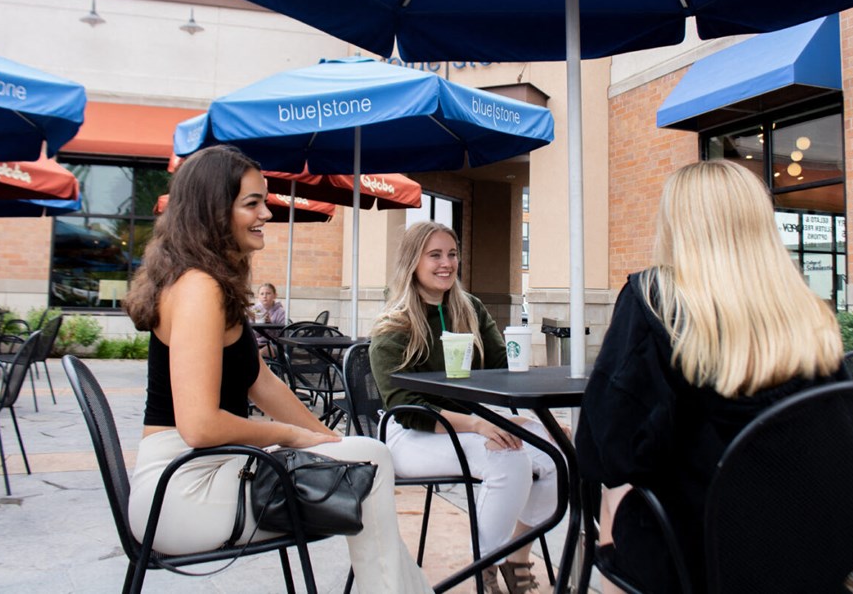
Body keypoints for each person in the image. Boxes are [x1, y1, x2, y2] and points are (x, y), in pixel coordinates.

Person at [122, 145, 432, 593]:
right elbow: (199, 425)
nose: (267, 212)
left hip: (213, 471)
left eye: (264, 200)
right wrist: (289, 436)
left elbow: (260, 381)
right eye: (252, 203)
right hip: (181, 491)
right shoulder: (198, 288)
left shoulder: (209, 281)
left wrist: (326, 439)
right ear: (214, 210)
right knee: (374, 460)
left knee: (361, 455)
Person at [575, 160, 848, 594]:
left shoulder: (654, 300)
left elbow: (606, 451)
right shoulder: (808, 314)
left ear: (676, 225)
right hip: (815, 556)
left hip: (700, 562)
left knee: (614, 493)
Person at [370, 221, 557, 594]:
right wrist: (476, 425)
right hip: (411, 435)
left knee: (555, 457)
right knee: (509, 457)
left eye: (452, 254)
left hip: (472, 424)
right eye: (435, 255)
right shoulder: (394, 326)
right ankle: (485, 567)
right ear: (413, 261)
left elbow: (502, 369)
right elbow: (406, 408)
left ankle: (516, 561)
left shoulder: (469, 308)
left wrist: (537, 421)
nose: (447, 263)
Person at [251, 282, 286, 356]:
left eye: (268, 293)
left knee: (258, 355)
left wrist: (270, 324)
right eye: (262, 294)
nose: (264, 296)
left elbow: (281, 335)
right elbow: (252, 334)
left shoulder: (280, 312)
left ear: (275, 295)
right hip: (255, 343)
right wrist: (253, 321)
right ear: (258, 296)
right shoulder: (253, 310)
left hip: (274, 344)